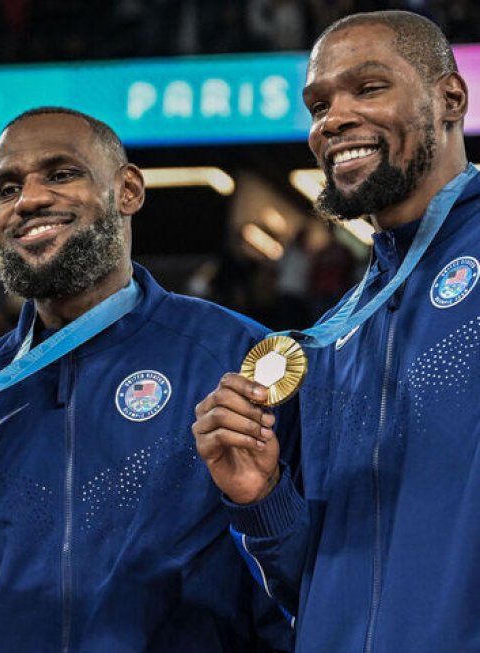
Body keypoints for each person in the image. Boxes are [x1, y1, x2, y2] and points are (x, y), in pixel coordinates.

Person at [0, 107, 295, 652]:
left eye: (61, 173)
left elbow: (310, 599)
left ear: (129, 189)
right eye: (7, 188)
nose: (27, 200)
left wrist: (265, 502)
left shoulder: (240, 363)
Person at [192, 10, 480, 652]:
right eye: (319, 104)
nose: (334, 119)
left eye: (368, 87)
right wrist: (260, 497)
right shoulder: (327, 340)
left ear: (449, 98)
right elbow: (309, 590)